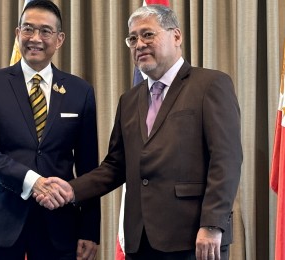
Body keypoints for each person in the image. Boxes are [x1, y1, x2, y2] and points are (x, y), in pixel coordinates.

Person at [36, 4, 242, 260]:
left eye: (147, 34)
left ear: (176, 36)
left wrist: (212, 224)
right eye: (132, 38)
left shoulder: (210, 84)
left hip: (194, 238)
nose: (139, 44)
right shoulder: (129, 100)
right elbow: (114, 166)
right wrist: (71, 189)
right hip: (139, 240)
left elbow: (226, 159)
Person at [0, 1, 100, 259]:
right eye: (28, 29)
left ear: (59, 39)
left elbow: (88, 167)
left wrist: (89, 229)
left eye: (45, 31)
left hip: (58, 227)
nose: (35, 38)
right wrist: (33, 182)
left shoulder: (80, 91)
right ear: (17, 34)